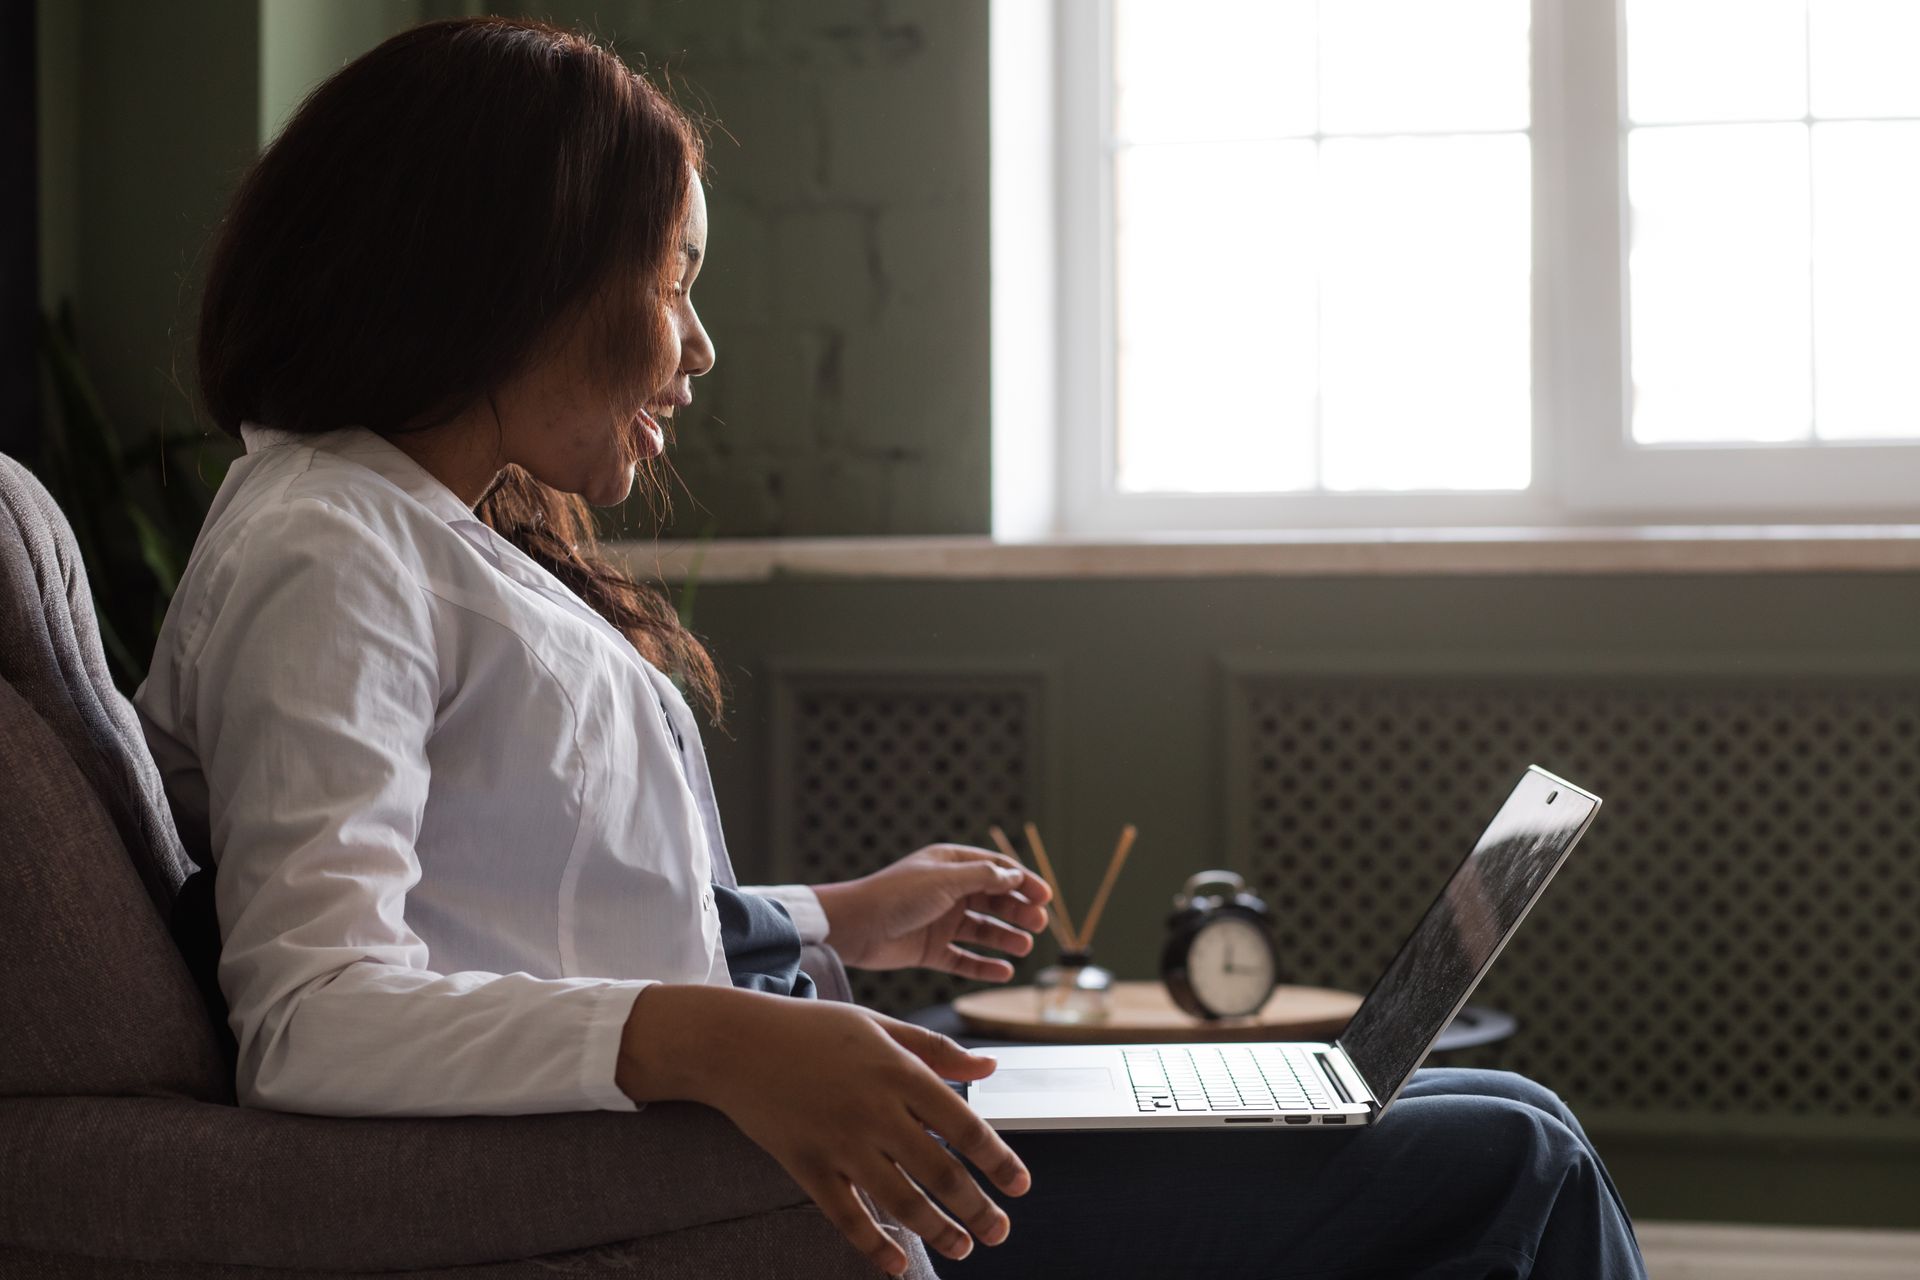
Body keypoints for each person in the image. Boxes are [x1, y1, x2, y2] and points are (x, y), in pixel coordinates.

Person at [134, 17, 1648, 1279]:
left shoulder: (415, 528)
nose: (701, 348)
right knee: (1510, 1157)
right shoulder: (331, 549)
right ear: (513, 275)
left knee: (1500, 1103)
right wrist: (729, 1047)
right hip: (746, 1189)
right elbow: (316, 1016)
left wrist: (837, 919)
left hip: (790, 1126)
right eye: (674, 283)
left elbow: (527, 906)